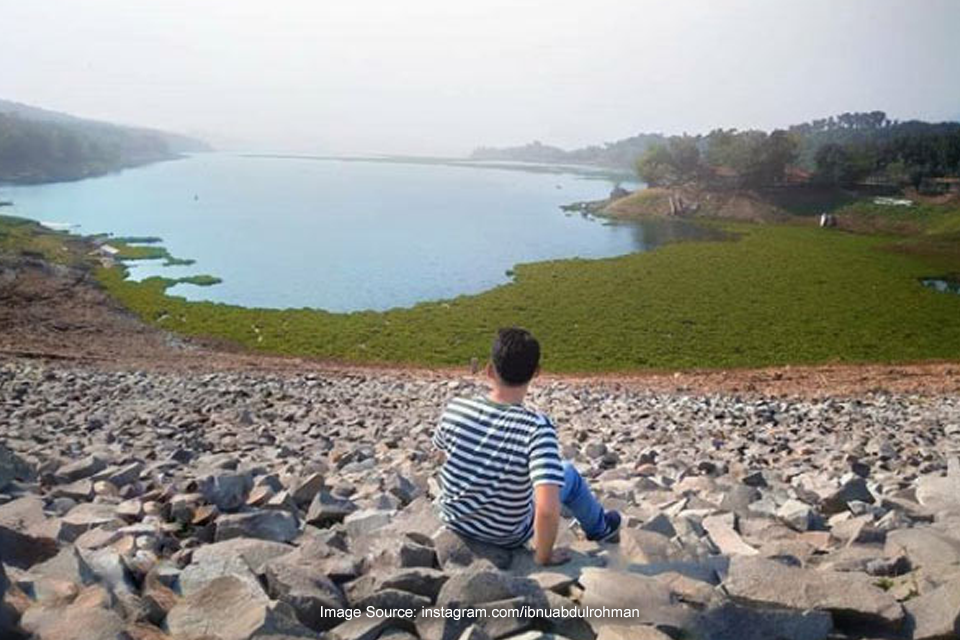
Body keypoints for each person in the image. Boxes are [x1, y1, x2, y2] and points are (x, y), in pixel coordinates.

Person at [432, 327, 621, 566]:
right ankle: (601, 528)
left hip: (455, 520)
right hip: (507, 534)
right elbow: (547, 509)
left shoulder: (456, 408)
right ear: (536, 373)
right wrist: (543, 556)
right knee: (568, 474)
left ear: (489, 370)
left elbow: (439, 451)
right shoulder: (537, 428)